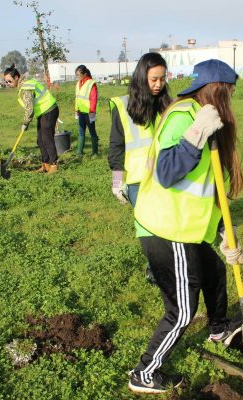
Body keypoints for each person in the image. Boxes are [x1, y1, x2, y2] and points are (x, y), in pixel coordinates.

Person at [129, 59, 243, 394]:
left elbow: (208, 190)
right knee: (181, 312)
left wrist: (224, 235)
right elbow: (167, 171)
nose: (231, 102)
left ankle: (219, 329)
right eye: (230, 94)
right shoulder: (185, 117)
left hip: (188, 228)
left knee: (214, 271)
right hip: (168, 228)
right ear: (217, 91)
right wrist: (195, 135)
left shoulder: (206, 123)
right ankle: (144, 374)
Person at [107, 52, 172, 284]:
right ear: (141, 76)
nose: (158, 84)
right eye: (153, 79)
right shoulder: (122, 106)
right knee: (148, 228)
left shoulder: (167, 105)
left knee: (165, 224)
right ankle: (155, 269)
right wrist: (117, 182)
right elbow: (116, 145)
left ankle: (165, 266)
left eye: (162, 79)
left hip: (165, 175)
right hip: (137, 180)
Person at [3, 64, 60, 174]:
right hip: (43, 112)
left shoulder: (25, 87)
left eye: (9, 81)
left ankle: (54, 165)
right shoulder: (24, 84)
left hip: (49, 110)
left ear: (16, 78)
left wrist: (25, 123)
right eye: (6, 82)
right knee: (40, 140)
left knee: (47, 138)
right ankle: (45, 164)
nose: (8, 84)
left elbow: (29, 109)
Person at [74, 65, 99, 156]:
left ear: (84, 74)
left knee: (92, 132)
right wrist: (76, 110)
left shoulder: (91, 83)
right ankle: (79, 152)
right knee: (81, 132)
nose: (78, 77)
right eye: (76, 75)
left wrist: (92, 112)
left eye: (79, 75)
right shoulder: (78, 83)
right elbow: (77, 98)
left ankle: (95, 153)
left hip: (89, 113)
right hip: (81, 112)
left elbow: (93, 99)